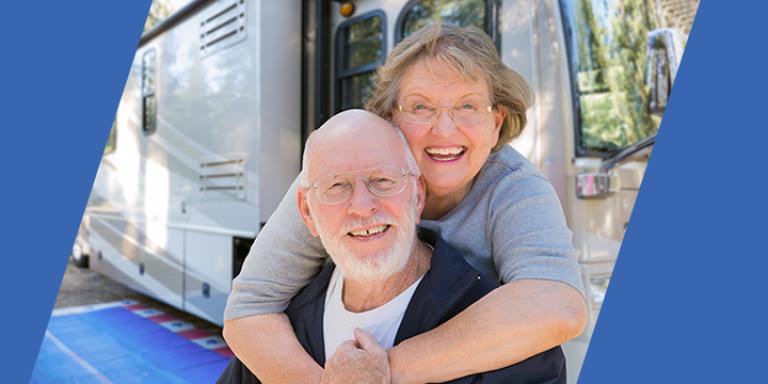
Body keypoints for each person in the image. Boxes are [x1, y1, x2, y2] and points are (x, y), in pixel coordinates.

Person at [223, 24, 587, 383]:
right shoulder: (334, 182)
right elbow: (250, 308)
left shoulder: (513, 186)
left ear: (497, 123)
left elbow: (558, 305)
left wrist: (382, 369)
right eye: (420, 107)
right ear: (389, 119)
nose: (445, 129)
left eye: (468, 106)